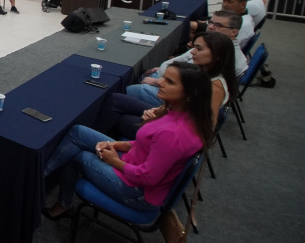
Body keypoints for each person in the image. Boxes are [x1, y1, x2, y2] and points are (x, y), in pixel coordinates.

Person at [42, 62, 213, 221]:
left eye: (169, 82)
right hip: (134, 162)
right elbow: (145, 143)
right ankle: (41, 176)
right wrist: (116, 145)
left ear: (189, 95)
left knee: (77, 157)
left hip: (136, 192)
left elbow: (147, 177)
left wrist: (114, 161)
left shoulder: (173, 133)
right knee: (78, 132)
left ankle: (62, 203)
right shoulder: (181, 113)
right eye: (164, 78)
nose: (160, 83)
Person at [102, 32, 238, 139]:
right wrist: (160, 110)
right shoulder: (204, 73)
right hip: (170, 115)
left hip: (173, 130)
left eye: (199, 49)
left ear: (217, 55)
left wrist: (160, 118)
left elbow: (206, 126)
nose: (192, 52)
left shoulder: (215, 88)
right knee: (116, 99)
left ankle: (103, 144)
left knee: (121, 117)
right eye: (194, 47)